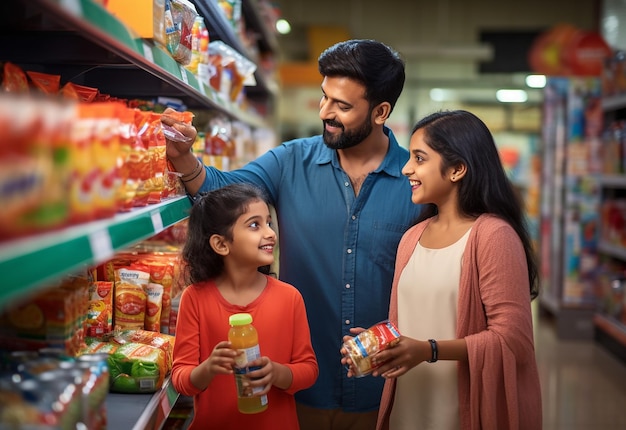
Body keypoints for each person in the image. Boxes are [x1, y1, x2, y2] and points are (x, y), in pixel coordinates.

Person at [162, 39, 422, 430]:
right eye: (324, 98)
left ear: (381, 111)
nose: (325, 113)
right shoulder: (290, 161)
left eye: (343, 106)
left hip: (383, 387)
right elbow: (222, 193)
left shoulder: (417, 180)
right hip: (297, 387)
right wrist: (183, 157)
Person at [343, 110, 542, 430]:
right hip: (408, 407)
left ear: (458, 169)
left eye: (420, 158)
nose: (407, 168)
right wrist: (381, 344)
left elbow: (512, 341)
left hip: (460, 411)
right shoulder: (411, 238)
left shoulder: (493, 236)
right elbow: (419, 317)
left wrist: (428, 350)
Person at [170, 183, 318, 430]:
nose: (270, 233)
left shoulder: (289, 298)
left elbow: (309, 370)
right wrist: (207, 369)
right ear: (221, 244)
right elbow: (181, 379)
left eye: (269, 223)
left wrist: (277, 373)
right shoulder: (194, 299)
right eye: (254, 225)